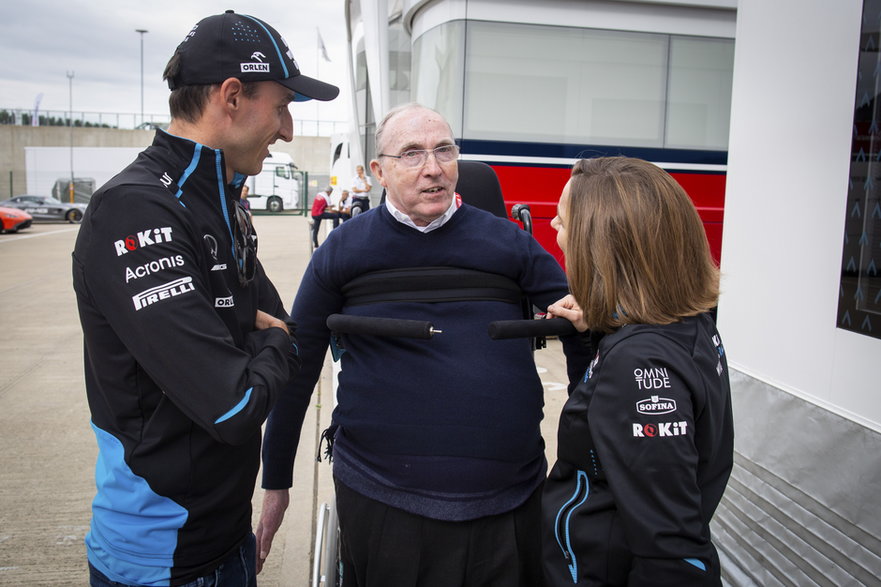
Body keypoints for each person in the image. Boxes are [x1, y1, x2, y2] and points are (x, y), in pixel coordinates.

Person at [257, 102, 592, 585]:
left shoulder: (509, 243)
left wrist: (585, 459)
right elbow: (300, 361)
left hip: (508, 498)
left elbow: (579, 327)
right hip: (381, 496)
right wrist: (277, 481)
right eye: (411, 154)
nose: (432, 168)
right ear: (380, 172)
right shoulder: (343, 250)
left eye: (444, 150)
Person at [71, 10, 338, 587]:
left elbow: (281, 327)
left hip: (227, 537)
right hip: (160, 559)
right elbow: (234, 406)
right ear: (233, 96)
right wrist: (266, 339)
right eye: (283, 105)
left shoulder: (222, 203)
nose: (288, 129)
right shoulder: (135, 209)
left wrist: (257, 337)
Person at [542, 157, 733, 586]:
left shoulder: (637, 363)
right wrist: (598, 332)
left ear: (602, 248)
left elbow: (671, 551)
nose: (553, 226)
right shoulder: (691, 323)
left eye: (564, 221)